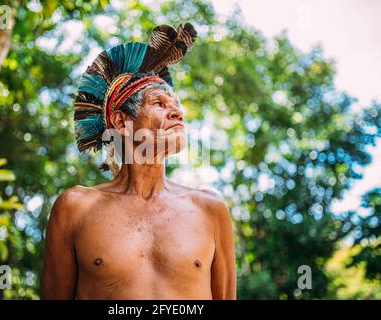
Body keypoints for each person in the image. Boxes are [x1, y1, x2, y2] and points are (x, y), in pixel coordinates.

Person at [41, 23, 236, 299]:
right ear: (121, 121)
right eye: (159, 103)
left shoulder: (210, 210)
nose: (177, 113)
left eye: (177, 105)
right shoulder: (75, 209)